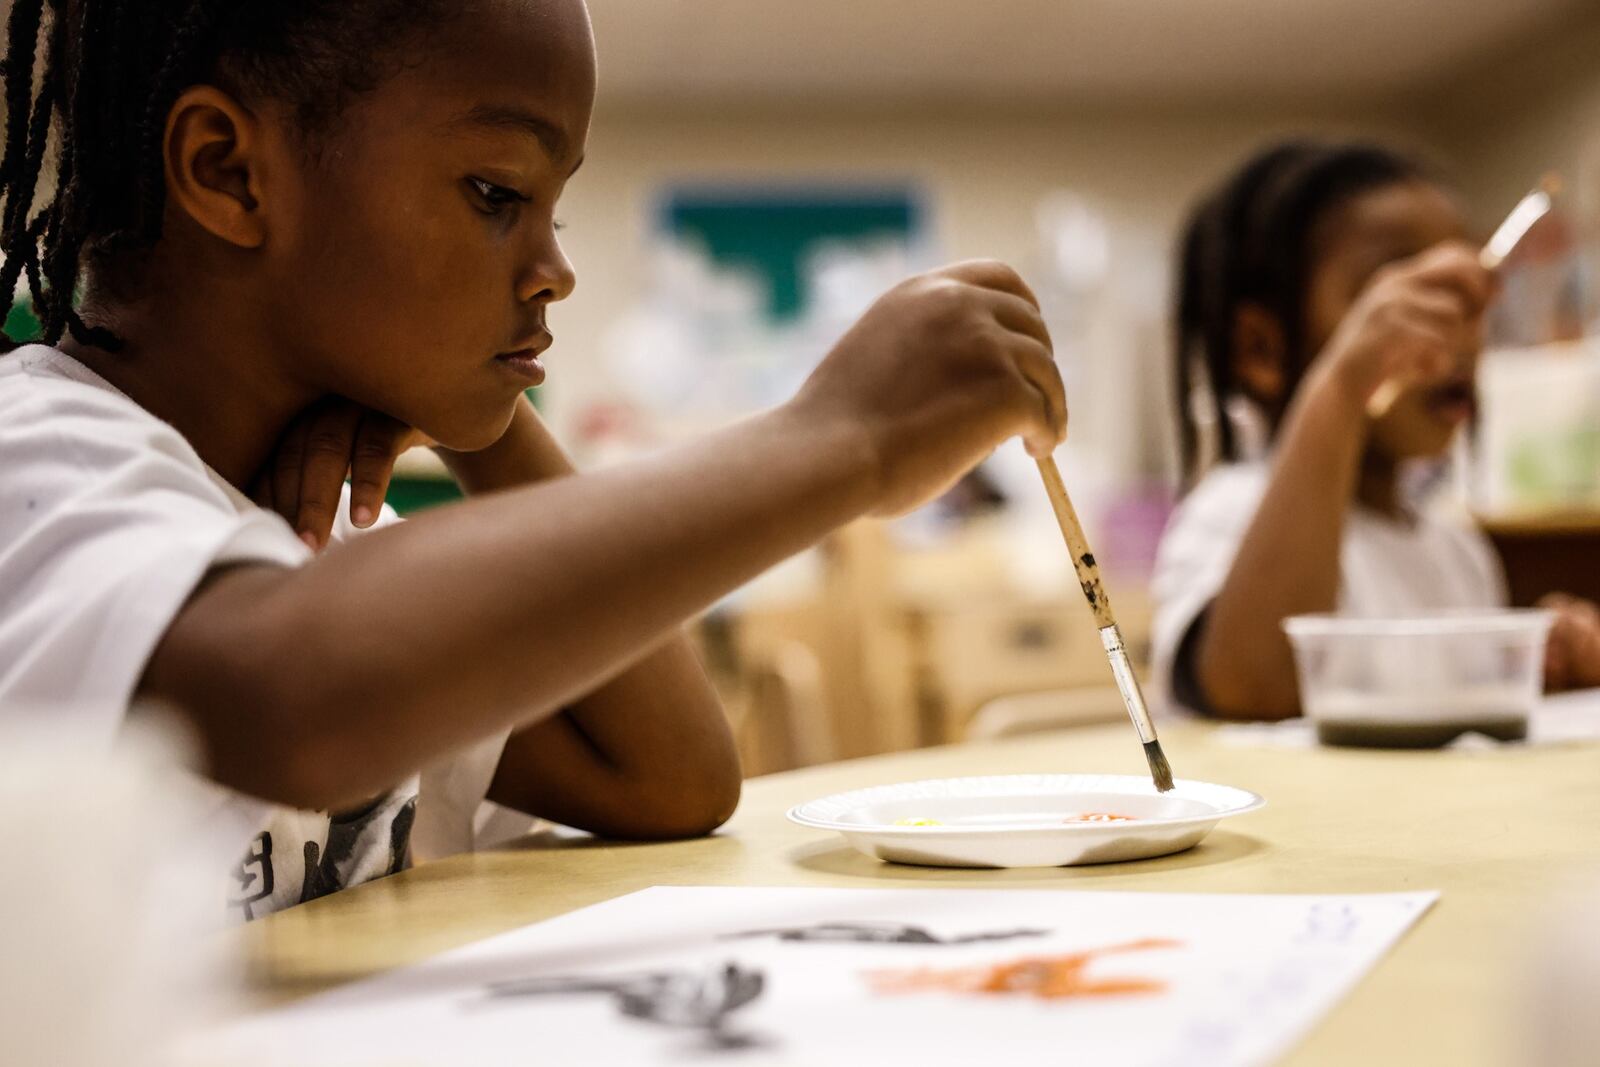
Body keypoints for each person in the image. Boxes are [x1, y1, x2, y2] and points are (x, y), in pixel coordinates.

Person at [0, 0, 1066, 917]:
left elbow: (669, 776)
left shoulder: (308, 527)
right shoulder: (37, 455)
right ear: (227, 170)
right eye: (498, 194)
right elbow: (295, 698)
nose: (555, 268)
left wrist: (487, 423)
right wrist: (841, 438)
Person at [1152, 141, 1600, 721]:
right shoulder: (1229, 512)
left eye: (1463, 301)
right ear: (1261, 349)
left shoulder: (1456, 548)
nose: (1456, 336)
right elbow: (1255, 691)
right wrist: (1341, 388)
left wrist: (1536, 678)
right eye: (1407, 299)